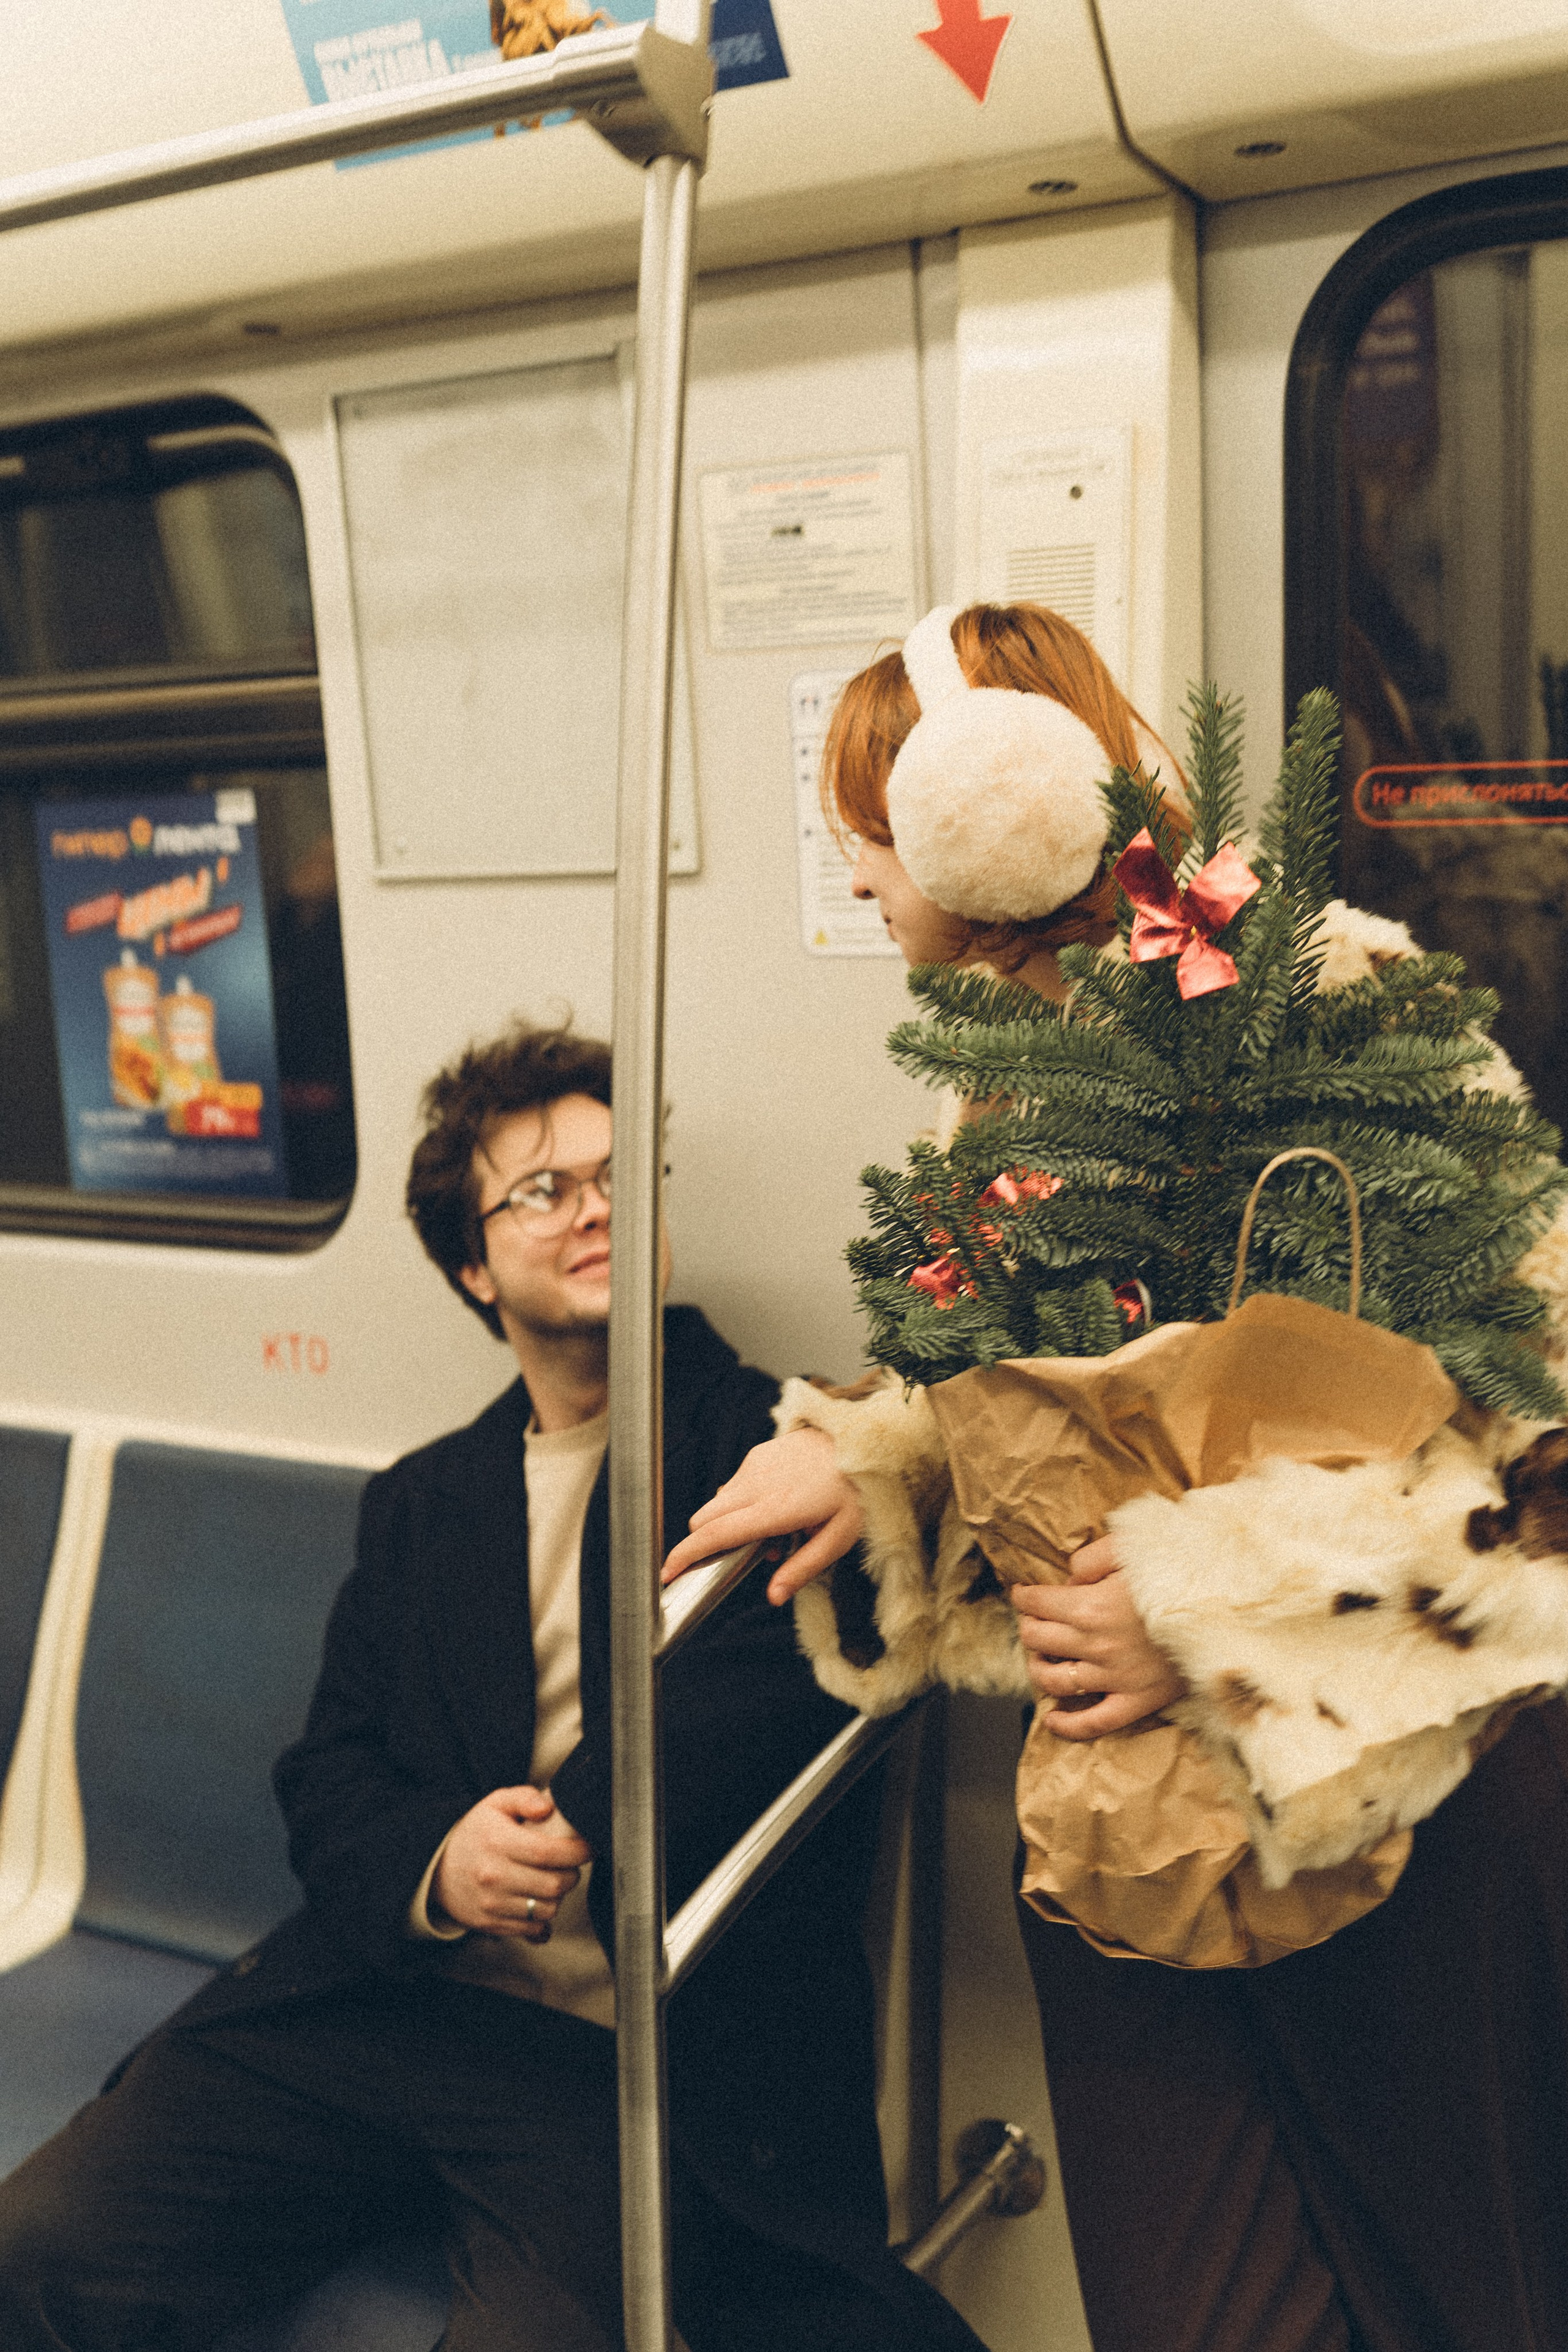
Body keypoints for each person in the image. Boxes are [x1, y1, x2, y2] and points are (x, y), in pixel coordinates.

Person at [663, 601, 1568, 2352]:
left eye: (871, 813)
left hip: (1401, 1788)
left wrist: (1209, 1615)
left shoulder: (1334, 1006)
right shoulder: (1004, 1079)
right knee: (1191, 2304)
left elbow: (1532, 1432)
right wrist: (875, 1454)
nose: (859, 870)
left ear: (988, 800)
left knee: (1452, 2290)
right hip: (1130, 1800)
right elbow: (1051, 1366)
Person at [0, 1020, 987, 2352]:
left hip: (628, 2070)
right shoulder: (425, 1501)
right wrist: (438, 1861)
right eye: (542, 1191)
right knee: (44, 2243)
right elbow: (329, 1774)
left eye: (613, 1179)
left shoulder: (773, 1449)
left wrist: (570, 1814)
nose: (593, 1212)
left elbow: (766, 1694)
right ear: (471, 1263)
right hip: (392, 2007)